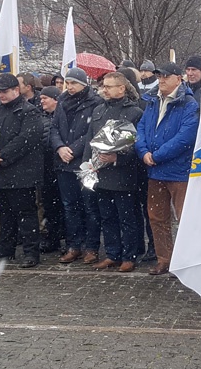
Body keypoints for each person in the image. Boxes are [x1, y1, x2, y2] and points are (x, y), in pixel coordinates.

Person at [134, 63, 199, 275]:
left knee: (185, 217)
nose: (161, 79)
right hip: (155, 171)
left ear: (178, 79)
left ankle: (189, 259)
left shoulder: (189, 104)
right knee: (157, 217)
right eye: (159, 76)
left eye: (166, 76)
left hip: (179, 171)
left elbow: (185, 137)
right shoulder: (152, 101)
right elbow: (142, 128)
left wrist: (157, 155)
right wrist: (143, 151)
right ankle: (165, 258)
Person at [0, 73, 45, 268]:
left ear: (16, 90)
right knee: (4, 212)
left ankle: (31, 251)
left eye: (4, 91)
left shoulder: (29, 111)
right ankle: (5, 248)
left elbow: (26, 140)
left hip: (22, 172)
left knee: (26, 213)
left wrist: (0, 156)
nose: (0, 95)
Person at [86, 72, 144, 272]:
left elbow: (137, 145)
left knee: (126, 217)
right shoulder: (98, 110)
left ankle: (130, 255)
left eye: (109, 86)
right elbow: (90, 139)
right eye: (104, 86)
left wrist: (118, 159)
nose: (105, 90)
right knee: (107, 217)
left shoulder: (134, 112)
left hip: (123, 174)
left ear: (122, 88)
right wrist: (88, 165)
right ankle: (112, 253)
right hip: (100, 173)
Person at [50, 67, 103, 264]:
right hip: (63, 162)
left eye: (73, 83)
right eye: (68, 83)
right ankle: (74, 245)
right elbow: (54, 127)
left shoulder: (95, 102)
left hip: (85, 162)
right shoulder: (62, 101)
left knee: (89, 206)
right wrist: (59, 147)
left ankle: (91, 247)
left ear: (83, 84)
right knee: (69, 206)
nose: (70, 87)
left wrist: (72, 149)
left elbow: (93, 132)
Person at [38, 86, 64, 254]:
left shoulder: (62, 117)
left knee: (64, 205)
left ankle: (67, 238)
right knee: (50, 206)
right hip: (45, 168)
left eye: (45, 98)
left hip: (60, 166)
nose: (41, 102)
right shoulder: (40, 117)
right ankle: (52, 237)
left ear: (55, 99)